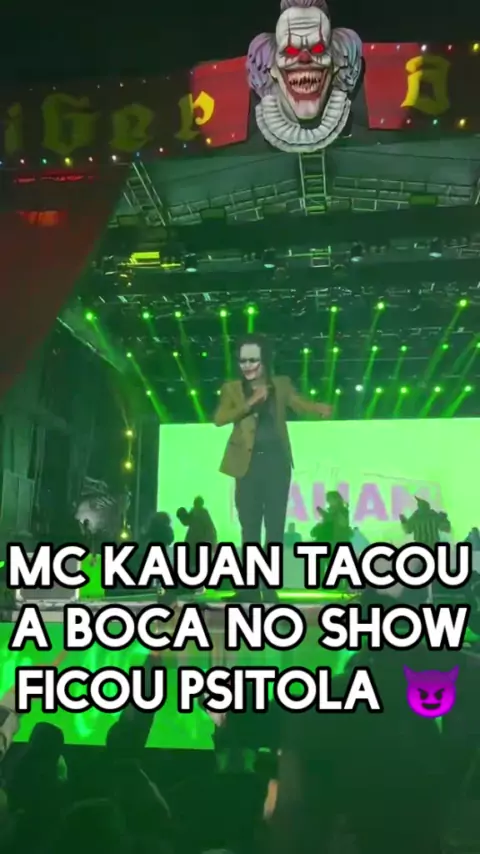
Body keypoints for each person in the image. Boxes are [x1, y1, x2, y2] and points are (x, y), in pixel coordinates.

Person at [214, 335, 331, 561]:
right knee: (249, 525)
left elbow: (298, 402)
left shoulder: (281, 384)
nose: (247, 365)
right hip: (247, 464)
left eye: (253, 360)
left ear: (265, 360)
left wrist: (317, 408)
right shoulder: (232, 389)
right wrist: (250, 402)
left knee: (275, 524)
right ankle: (250, 577)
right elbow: (219, 419)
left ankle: (270, 576)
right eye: (243, 361)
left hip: (276, 460)